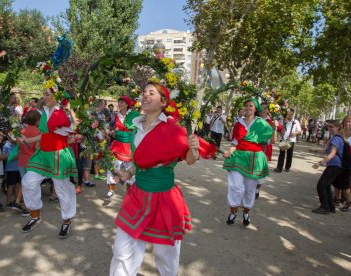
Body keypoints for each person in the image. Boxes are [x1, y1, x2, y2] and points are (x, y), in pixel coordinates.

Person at [110, 82, 212, 276]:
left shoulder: (175, 129)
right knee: (122, 249)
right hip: (138, 194)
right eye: (144, 92)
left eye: (152, 93)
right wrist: (129, 173)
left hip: (164, 197)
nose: (145, 96)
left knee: (165, 253)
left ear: (163, 101)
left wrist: (193, 147)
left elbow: (190, 161)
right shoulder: (136, 125)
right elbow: (140, 161)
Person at [19, 90, 77, 239]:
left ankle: (67, 220)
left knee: (62, 189)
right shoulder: (43, 112)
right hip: (43, 154)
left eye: (47, 94)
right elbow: (44, 134)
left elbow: (74, 131)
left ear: (56, 96)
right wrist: (27, 140)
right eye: (44, 93)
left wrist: (77, 129)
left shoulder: (64, 113)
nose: (44, 97)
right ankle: (35, 215)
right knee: (28, 181)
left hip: (58, 156)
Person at [223, 98, 273, 225]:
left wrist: (275, 128)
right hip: (238, 157)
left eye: (251, 106)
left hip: (255, 158)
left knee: (250, 189)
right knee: (235, 186)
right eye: (246, 106)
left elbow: (272, 141)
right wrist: (229, 152)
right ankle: (233, 211)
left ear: (256, 109)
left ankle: (246, 212)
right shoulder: (238, 123)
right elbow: (234, 143)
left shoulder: (262, 123)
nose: (248, 108)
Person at [106, 96, 140, 199]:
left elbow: (139, 130)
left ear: (127, 104)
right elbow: (110, 128)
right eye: (118, 102)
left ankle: (130, 192)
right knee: (111, 168)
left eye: (121, 102)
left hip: (129, 147)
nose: (119, 104)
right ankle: (111, 189)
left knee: (130, 170)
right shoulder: (115, 116)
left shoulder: (135, 115)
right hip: (117, 146)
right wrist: (110, 132)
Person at [311, 120, 344, 214]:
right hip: (335, 165)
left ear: (337, 128)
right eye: (328, 126)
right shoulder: (335, 138)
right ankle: (330, 207)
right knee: (326, 185)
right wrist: (315, 151)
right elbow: (328, 151)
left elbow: (332, 154)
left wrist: (320, 162)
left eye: (331, 126)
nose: (329, 128)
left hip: (334, 165)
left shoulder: (336, 139)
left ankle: (324, 207)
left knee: (321, 185)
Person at [333, 115, 351, 211]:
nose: (347, 123)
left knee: (346, 182)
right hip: (339, 159)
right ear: (343, 122)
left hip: (349, 161)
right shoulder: (340, 132)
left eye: (349, 122)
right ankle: (337, 199)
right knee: (336, 180)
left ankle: (348, 202)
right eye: (346, 121)